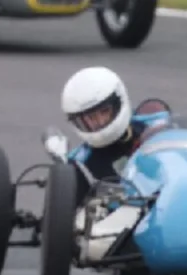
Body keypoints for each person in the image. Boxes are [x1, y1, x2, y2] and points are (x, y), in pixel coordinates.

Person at [60, 66, 171, 197]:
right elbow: (64, 207)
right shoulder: (80, 164)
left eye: (104, 112)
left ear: (119, 103)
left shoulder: (152, 128)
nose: (100, 122)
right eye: (90, 118)